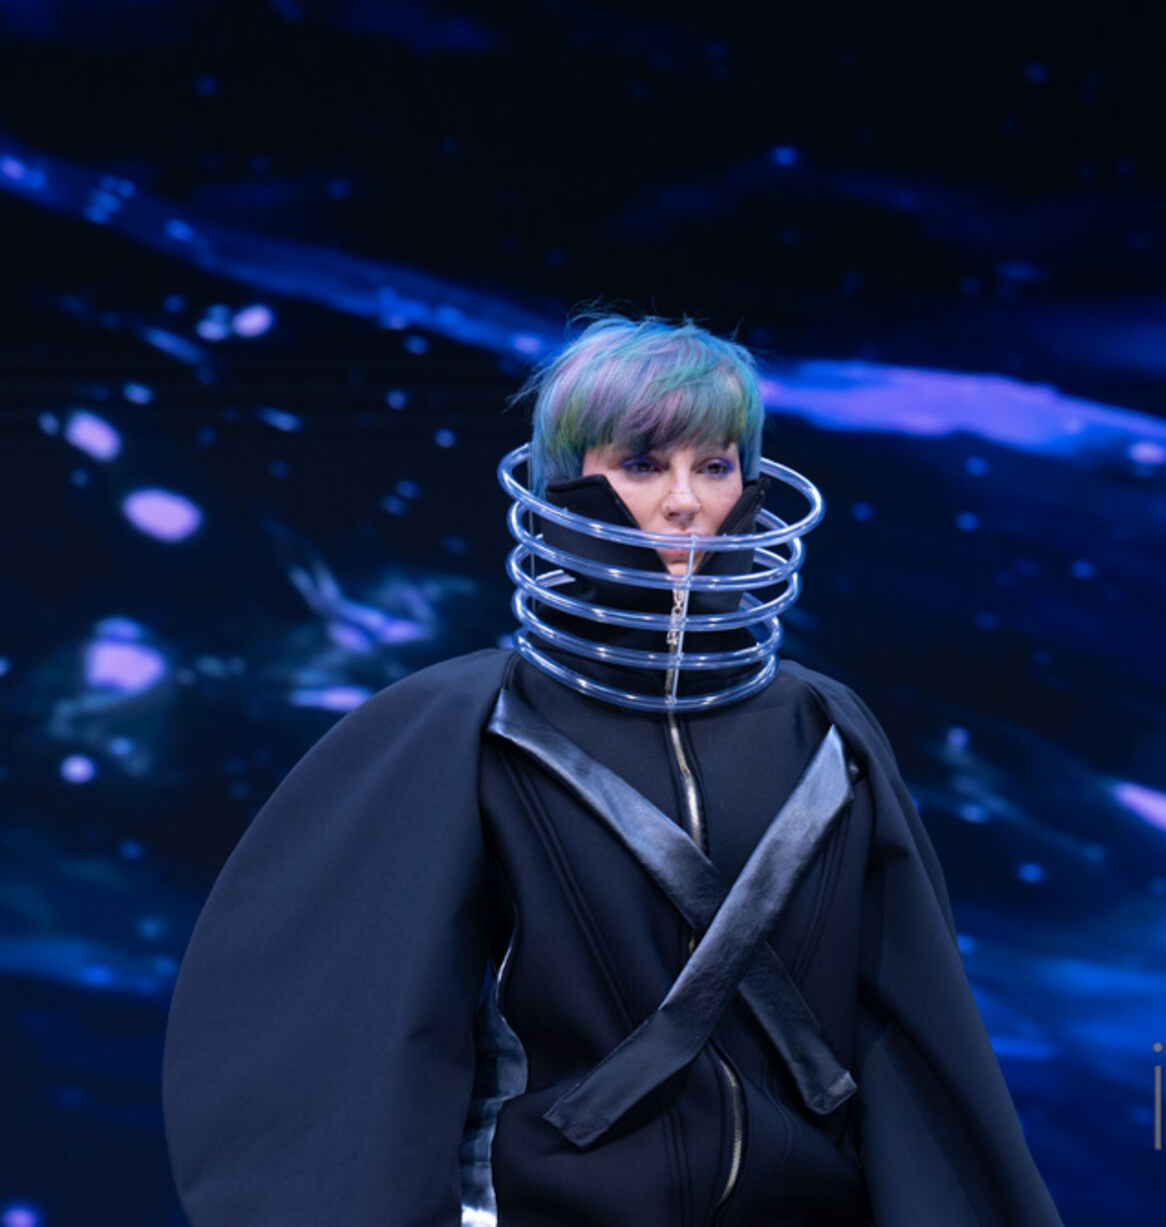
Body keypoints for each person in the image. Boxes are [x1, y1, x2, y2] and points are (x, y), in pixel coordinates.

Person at [162, 315, 1063, 1226]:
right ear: (569, 481)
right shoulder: (471, 727)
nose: (685, 501)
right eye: (642, 464)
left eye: (715, 465)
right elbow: (362, 1033)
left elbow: (914, 1033)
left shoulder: (823, 730)